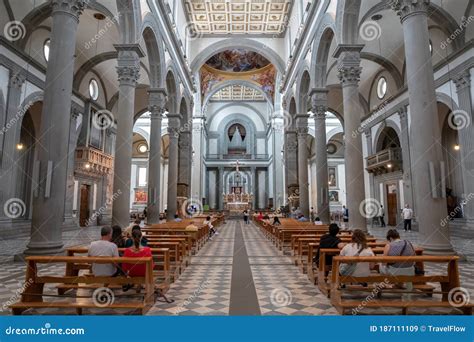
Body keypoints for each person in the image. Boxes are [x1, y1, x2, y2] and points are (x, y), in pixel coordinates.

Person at [381, 229, 416, 296]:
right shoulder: (408, 243)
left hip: (395, 272)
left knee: (381, 265)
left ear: (390, 238)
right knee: (401, 265)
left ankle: (384, 284)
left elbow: (383, 262)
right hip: (410, 271)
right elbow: (415, 257)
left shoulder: (389, 245)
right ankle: (400, 284)